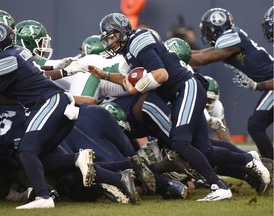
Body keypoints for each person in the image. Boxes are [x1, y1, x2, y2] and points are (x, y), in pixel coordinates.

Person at [89, 13, 271, 201]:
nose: (110, 42)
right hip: (180, 93)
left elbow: (161, 75)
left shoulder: (138, 41)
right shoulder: (129, 50)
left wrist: (138, 87)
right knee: (204, 148)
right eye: (107, 38)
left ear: (123, 30)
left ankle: (219, 186)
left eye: (112, 36)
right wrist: (105, 76)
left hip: (186, 87)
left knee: (179, 143)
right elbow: (129, 80)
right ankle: (249, 161)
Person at [0, 22, 96, 209]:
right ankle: (77, 158)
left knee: (26, 149)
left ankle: (44, 198)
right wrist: (64, 70)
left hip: (50, 102)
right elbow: (35, 72)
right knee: (35, 155)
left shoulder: (4, 60)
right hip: (57, 104)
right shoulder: (17, 53)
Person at [189, 8, 274, 160]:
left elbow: (202, 59)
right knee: (256, 125)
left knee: (255, 125)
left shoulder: (231, 39)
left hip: (272, 83)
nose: (207, 35)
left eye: (208, 30)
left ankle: (271, 166)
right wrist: (176, 50)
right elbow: (201, 53)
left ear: (216, 27)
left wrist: (172, 54)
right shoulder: (232, 37)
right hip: (269, 84)